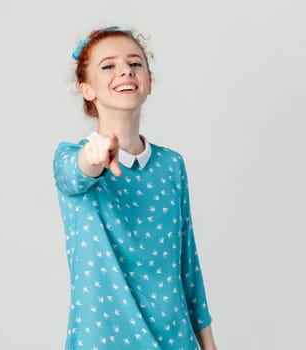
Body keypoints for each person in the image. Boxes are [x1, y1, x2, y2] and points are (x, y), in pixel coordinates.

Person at [53, 26, 217, 350]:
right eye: (108, 65)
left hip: (175, 340)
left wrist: (209, 346)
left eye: (135, 63)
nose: (125, 70)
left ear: (149, 83)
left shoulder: (172, 166)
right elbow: (75, 174)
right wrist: (95, 156)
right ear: (87, 90)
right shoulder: (71, 158)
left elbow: (188, 266)